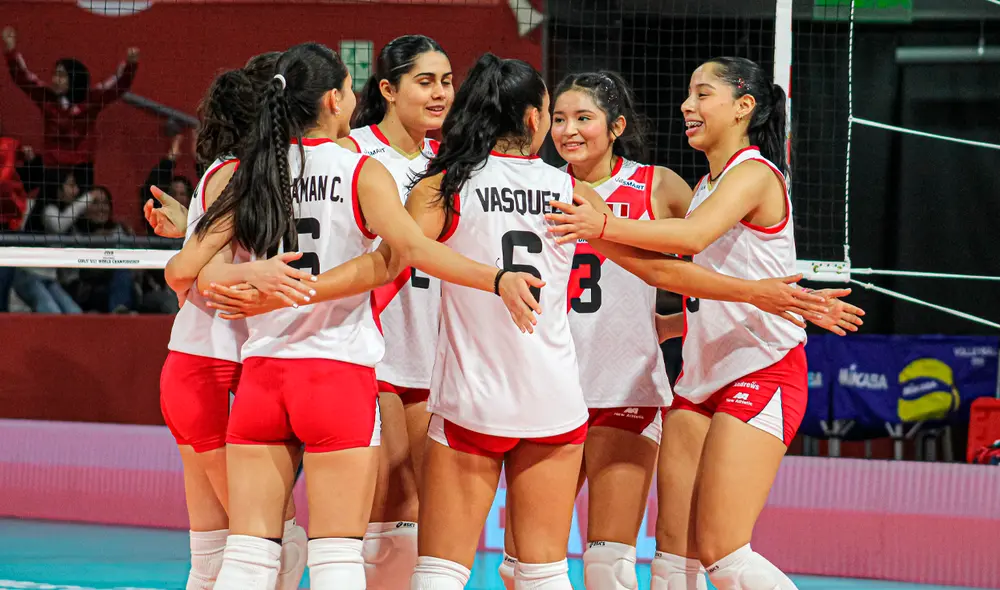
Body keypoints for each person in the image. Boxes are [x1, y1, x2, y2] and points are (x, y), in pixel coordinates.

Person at [165, 43, 541, 590]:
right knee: (338, 557)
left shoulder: (253, 174)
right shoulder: (362, 170)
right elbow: (413, 250)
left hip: (263, 378)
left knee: (248, 557)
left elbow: (182, 272)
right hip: (336, 375)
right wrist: (496, 278)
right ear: (335, 99)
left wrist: (256, 277)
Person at [546, 56, 865, 590]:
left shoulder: (754, 173)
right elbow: (681, 279)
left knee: (723, 553)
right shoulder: (705, 185)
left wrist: (602, 222)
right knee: (674, 559)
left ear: (743, 107)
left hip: (760, 369)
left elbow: (690, 240)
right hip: (698, 377)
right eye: (688, 95)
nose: (686, 106)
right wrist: (607, 247)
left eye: (702, 94)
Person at [157, 55, 309, 590]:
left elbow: (187, 269)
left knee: (213, 554)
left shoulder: (226, 171)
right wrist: (255, 275)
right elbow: (191, 273)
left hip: (193, 368)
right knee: (269, 543)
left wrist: (188, 249)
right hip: (217, 370)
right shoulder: (242, 174)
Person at [341, 34, 453, 589]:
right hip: (372, 346)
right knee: (378, 502)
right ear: (387, 88)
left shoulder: (452, 163)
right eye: (425, 81)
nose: (440, 94)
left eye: (447, 82)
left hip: (437, 355)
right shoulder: (351, 152)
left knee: (419, 507)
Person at [2, 26, 138, 194]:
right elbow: (24, 79)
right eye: (54, 75)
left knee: (78, 217)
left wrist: (130, 66)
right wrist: (11, 51)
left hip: (81, 172)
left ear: (74, 79)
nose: (55, 80)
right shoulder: (47, 98)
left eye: (61, 75)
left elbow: (116, 87)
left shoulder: (91, 101)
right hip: (52, 171)